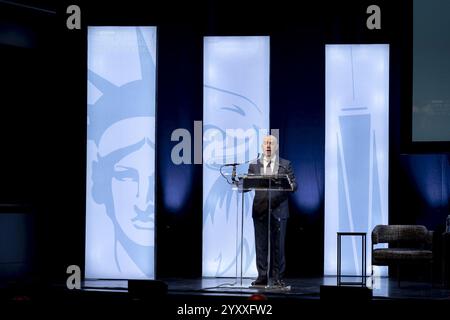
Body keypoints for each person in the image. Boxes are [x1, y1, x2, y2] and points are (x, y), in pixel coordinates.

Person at [249, 135, 297, 287]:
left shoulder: (284, 164)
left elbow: (294, 184)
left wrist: (290, 184)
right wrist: (241, 183)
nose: (268, 145)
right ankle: (262, 276)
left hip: (279, 209)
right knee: (260, 245)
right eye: (266, 143)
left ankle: (277, 278)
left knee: (278, 246)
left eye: (271, 143)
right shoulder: (254, 165)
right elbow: (248, 183)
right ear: (262, 146)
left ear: (276, 146)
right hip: (260, 209)